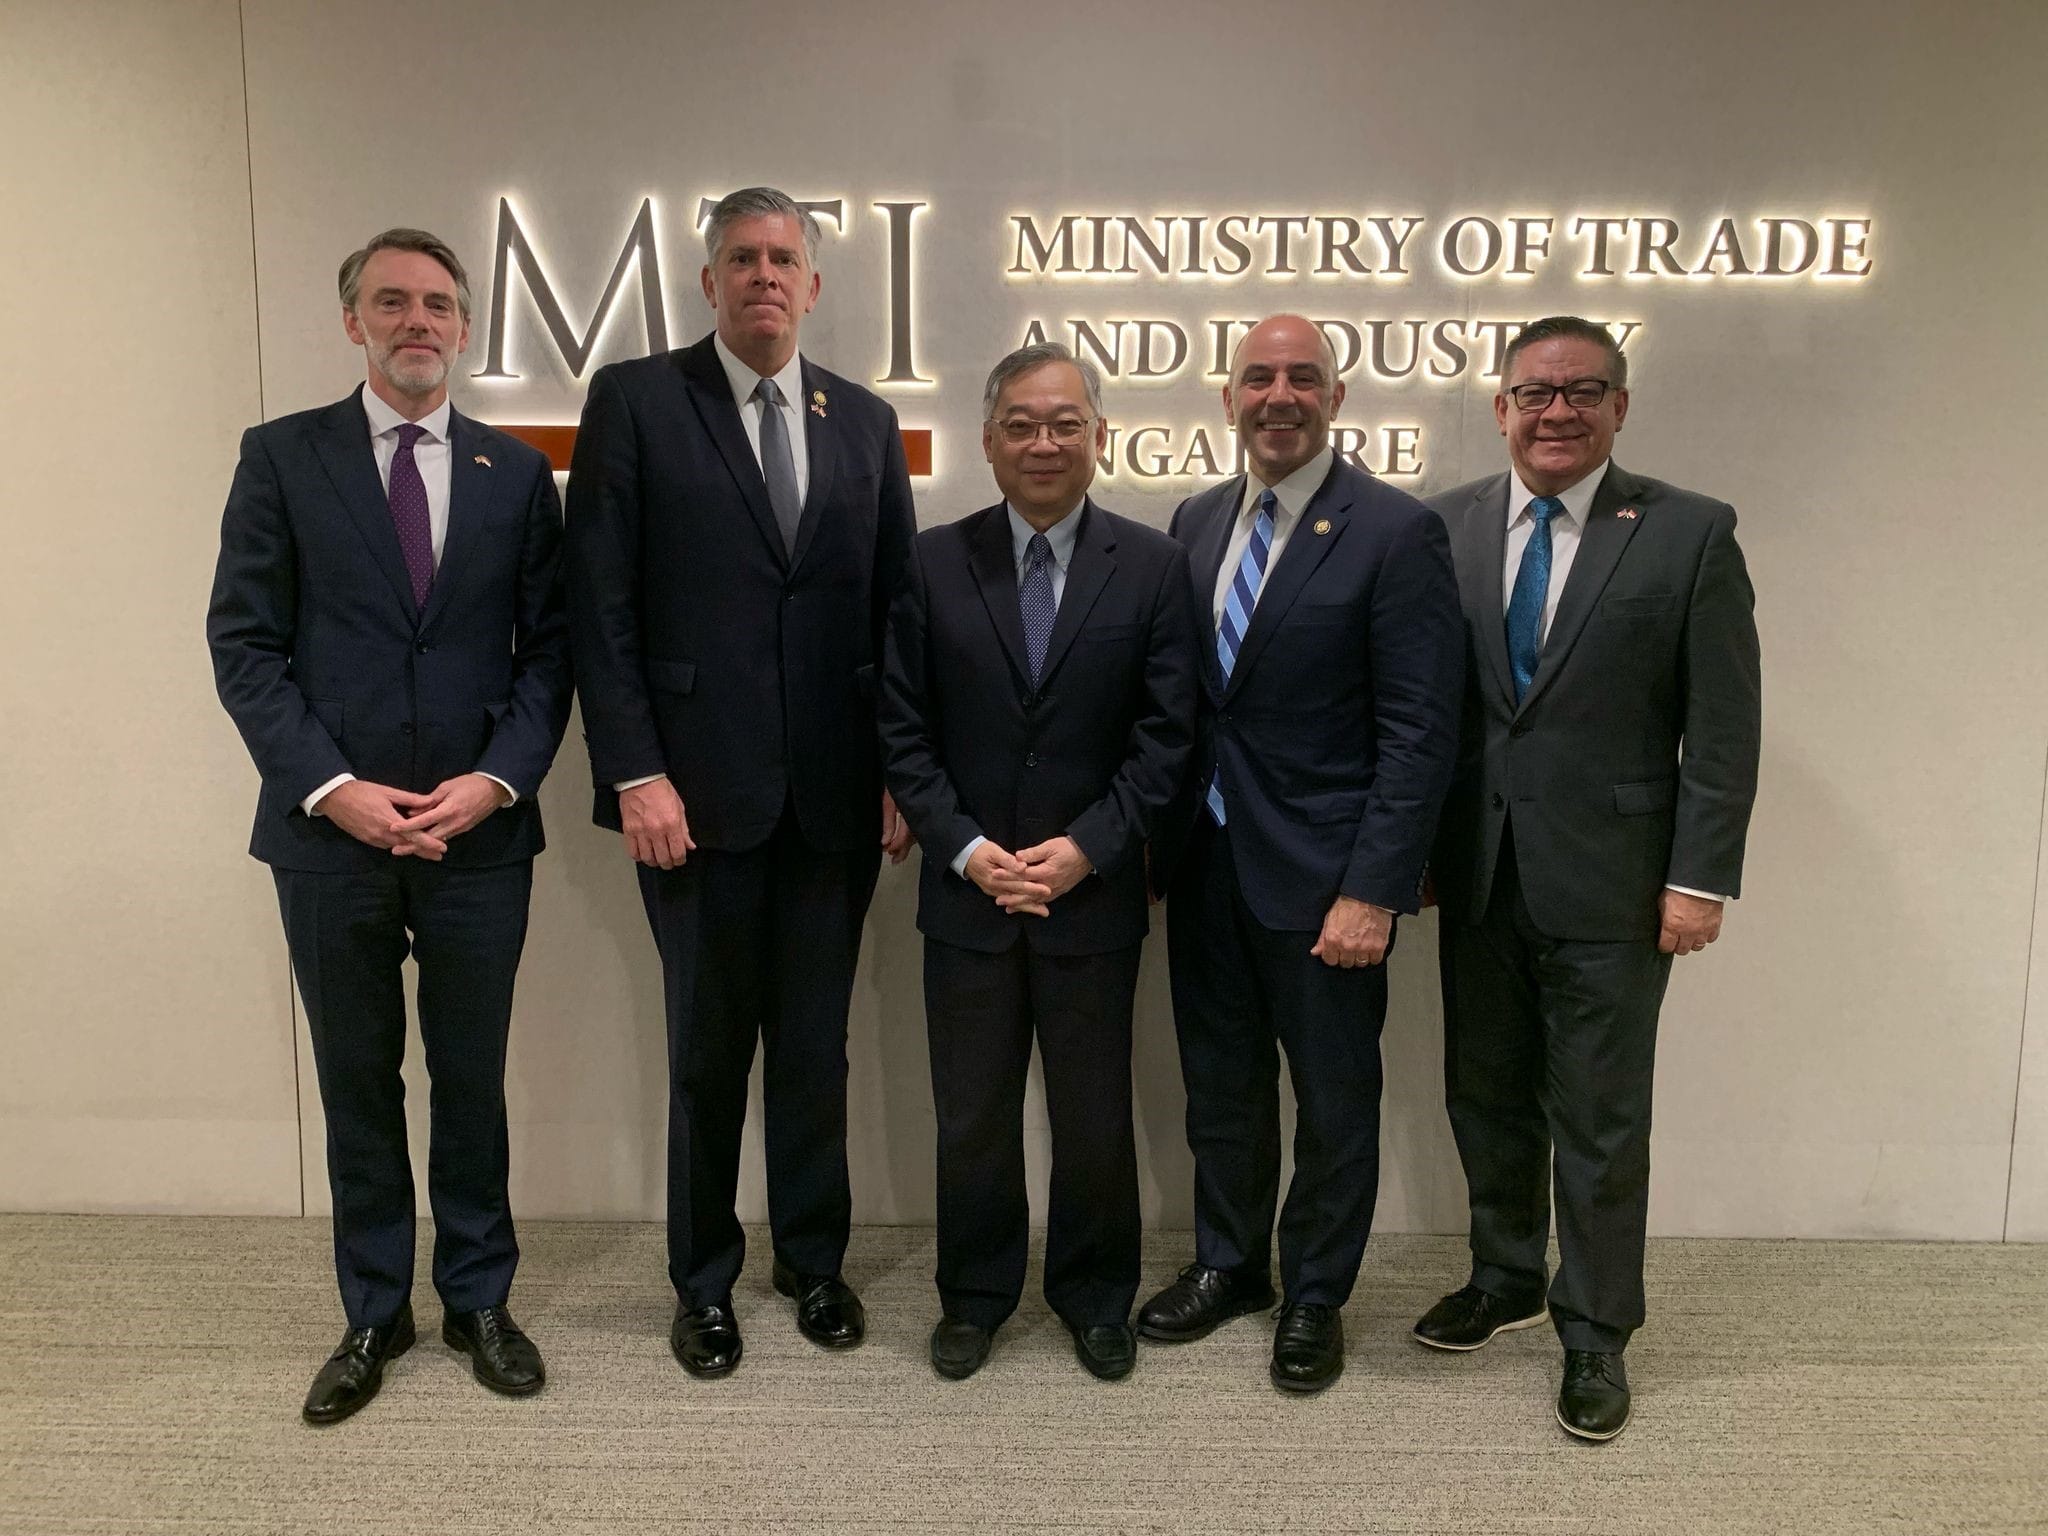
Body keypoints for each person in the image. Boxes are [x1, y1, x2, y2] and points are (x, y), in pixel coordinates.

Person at [207, 228, 572, 1424]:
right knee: (356, 1081)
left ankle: (477, 1300)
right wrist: (333, 787)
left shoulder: (517, 475)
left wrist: (496, 781)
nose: (417, 321)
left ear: (465, 328)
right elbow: (244, 646)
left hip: (478, 838)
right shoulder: (281, 457)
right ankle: (374, 1309)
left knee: (470, 1079)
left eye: (437, 304)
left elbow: (549, 654)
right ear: (353, 320)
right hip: (329, 840)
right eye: (392, 301)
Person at [564, 187, 916, 1378]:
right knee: (706, 1057)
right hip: (691, 802)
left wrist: (899, 770)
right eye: (741, 257)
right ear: (707, 281)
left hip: (832, 800)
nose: (764, 274)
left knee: (815, 1051)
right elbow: (599, 606)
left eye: (782, 258)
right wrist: (635, 771)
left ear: (811, 285)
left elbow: (895, 612)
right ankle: (701, 1282)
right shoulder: (635, 401)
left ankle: (812, 1264)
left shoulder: (861, 420)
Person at [1416, 314, 1761, 1441]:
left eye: (1581, 391)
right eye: (1534, 392)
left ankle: (1597, 1329)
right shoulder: (1445, 526)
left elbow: (1722, 727)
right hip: (1476, 876)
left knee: (1600, 1120)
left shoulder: (1689, 531)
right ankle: (1504, 1275)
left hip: (1617, 885)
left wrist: (1699, 878)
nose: (1555, 411)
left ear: (1619, 407)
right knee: (1484, 1093)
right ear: (1500, 407)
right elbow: (1424, 711)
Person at [1142, 314, 1464, 1393]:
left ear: (1336, 396)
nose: (1278, 396)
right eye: (1257, 378)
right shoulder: (1194, 520)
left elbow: (1418, 732)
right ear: (1226, 396)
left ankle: (1315, 1293)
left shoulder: (1395, 531)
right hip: (1204, 867)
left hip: (1328, 882)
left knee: (1333, 1102)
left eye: (1301, 377)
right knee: (1220, 1086)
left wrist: (1374, 889)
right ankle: (1230, 1264)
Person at [879, 343, 1197, 1381]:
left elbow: (1167, 738)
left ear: (1099, 435)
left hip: (1090, 898)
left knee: (1092, 1114)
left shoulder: (1153, 565)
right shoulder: (932, 561)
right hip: (966, 894)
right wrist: (967, 849)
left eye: (1065, 423)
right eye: (1021, 424)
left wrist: (1087, 848)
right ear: (988, 441)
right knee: (971, 1114)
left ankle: (1094, 1296)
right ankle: (974, 1296)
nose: (1043, 442)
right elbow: (902, 731)